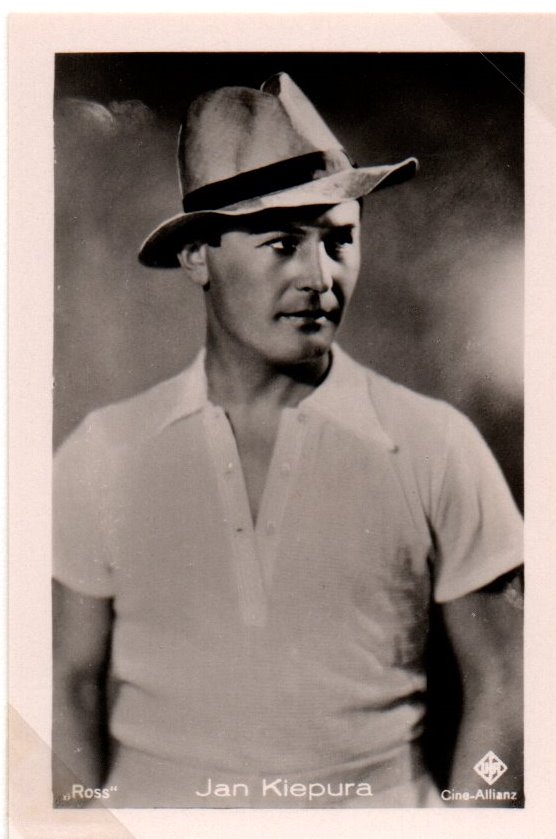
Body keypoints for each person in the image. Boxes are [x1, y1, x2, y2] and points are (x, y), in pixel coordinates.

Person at [52, 72, 523, 809]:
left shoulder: (436, 445)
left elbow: (507, 682)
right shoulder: (103, 452)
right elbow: (66, 683)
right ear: (198, 255)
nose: (319, 277)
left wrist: (470, 828)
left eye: (339, 240)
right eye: (282, 243)